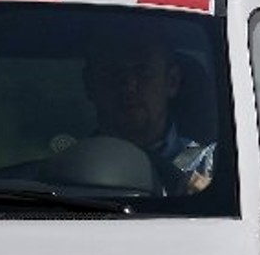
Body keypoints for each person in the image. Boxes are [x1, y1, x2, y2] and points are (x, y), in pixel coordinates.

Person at [82, 36, 214, 193]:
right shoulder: (65, 171)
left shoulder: (215, 166)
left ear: (172, 82)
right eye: (113, 73)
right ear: (90, 85)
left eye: (144, 72)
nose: (129, 86)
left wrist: (210, 198)